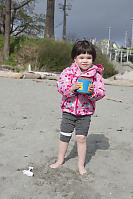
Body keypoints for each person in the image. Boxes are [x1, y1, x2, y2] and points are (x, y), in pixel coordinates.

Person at [50, 40, 106, 175]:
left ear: (93, 59)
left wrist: (92, 92)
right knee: (65, 136)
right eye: (81, 57)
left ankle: (81, 165)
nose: (85, 60)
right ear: (75, 58)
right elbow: (60, 87)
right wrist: (72, 88)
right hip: (68, 111)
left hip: (85, 112)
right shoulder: (68, 72)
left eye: (88, 58)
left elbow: (101, 92)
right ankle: (60, 160)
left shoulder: (96, 75)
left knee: (81, 138)